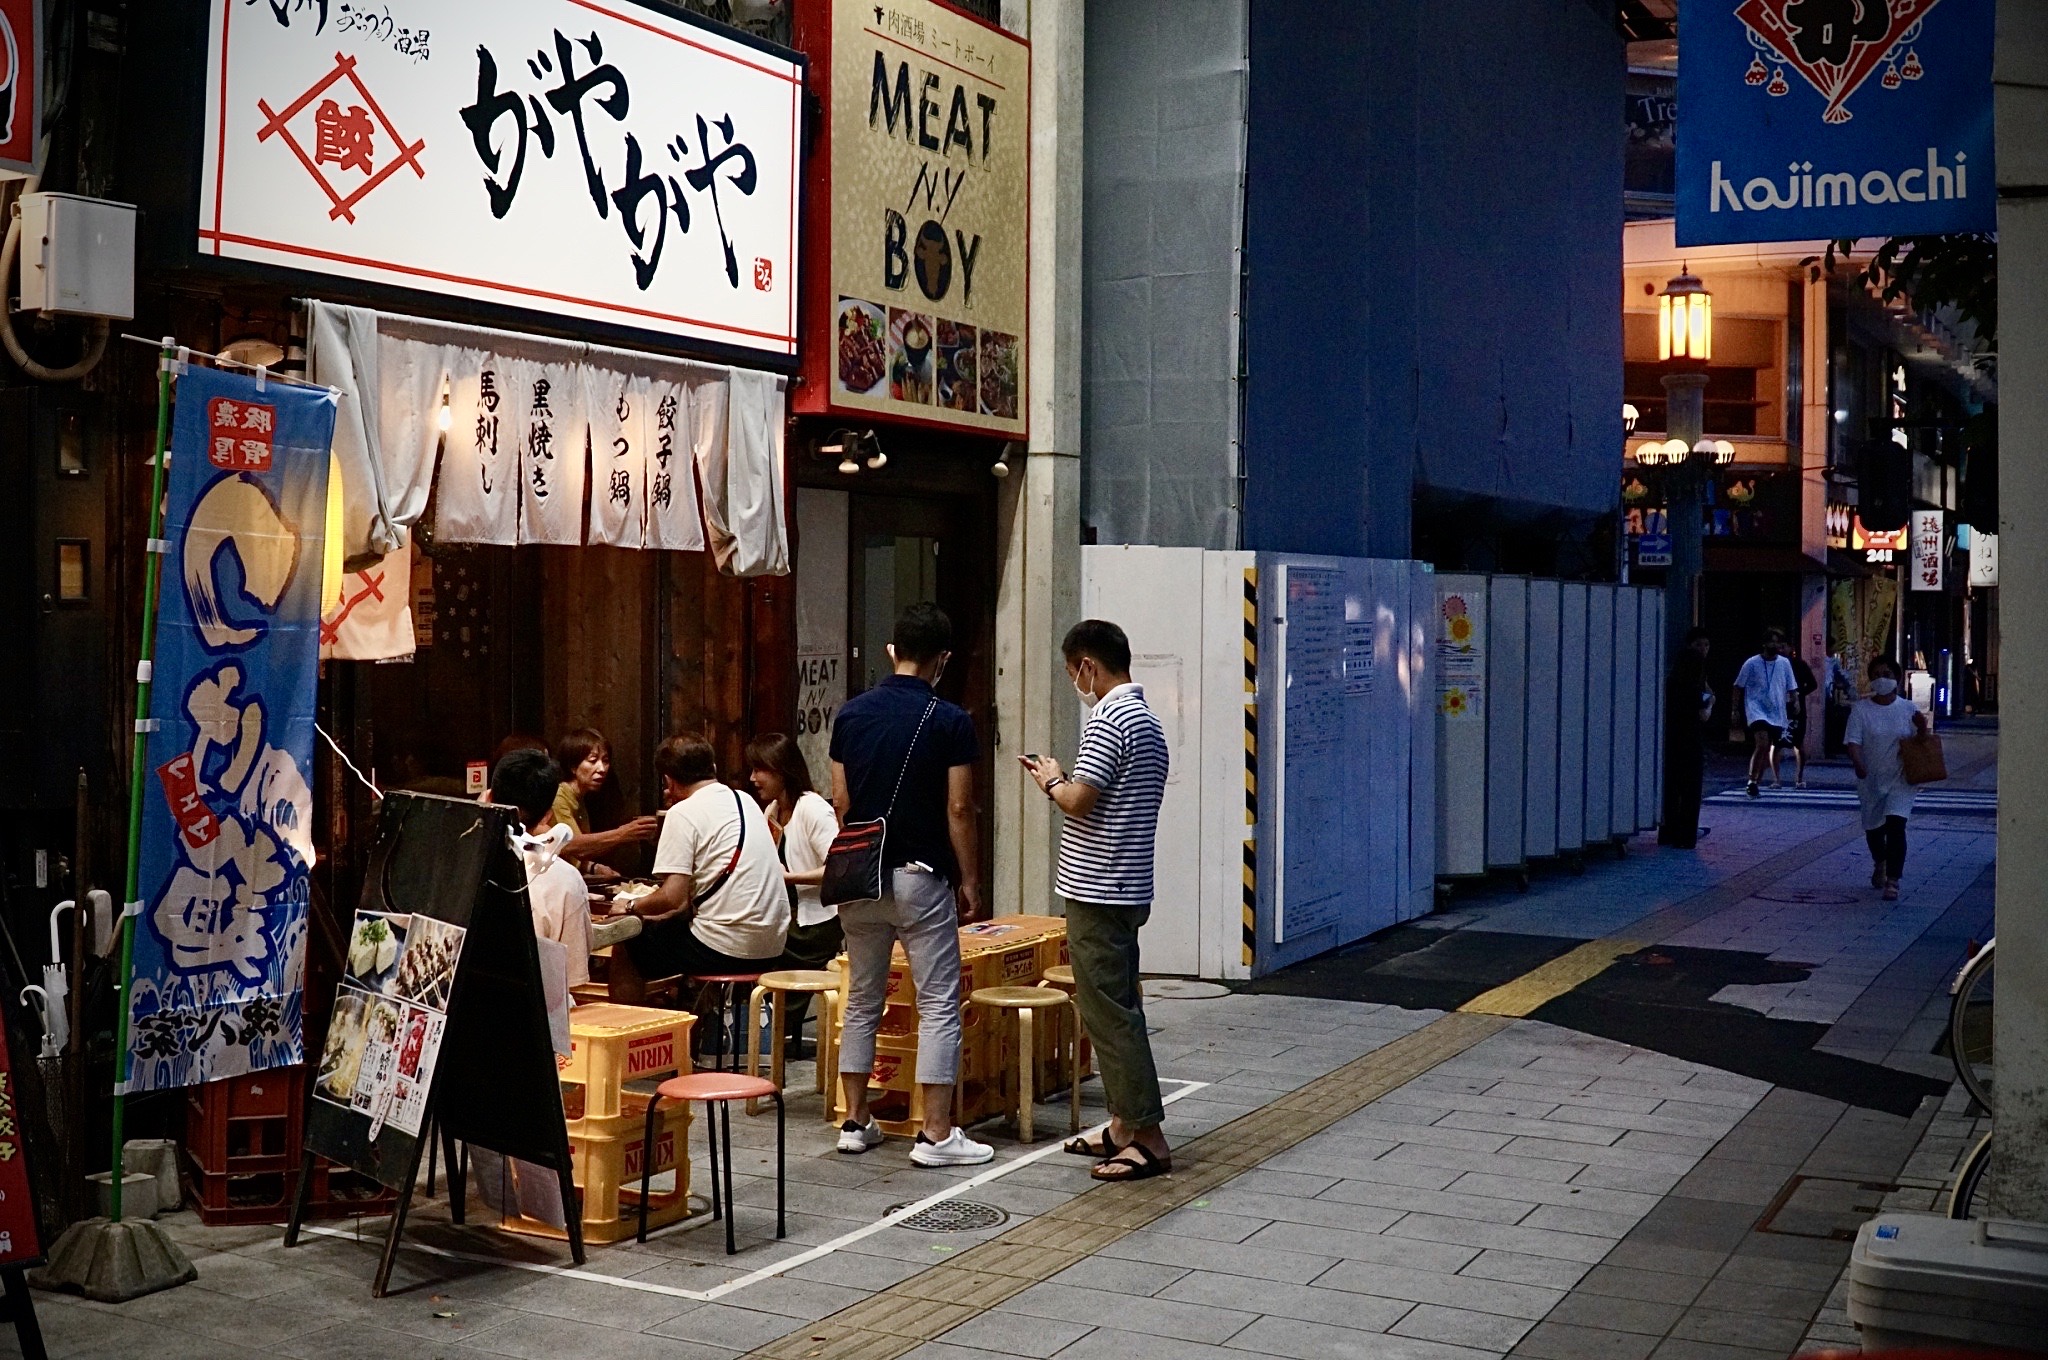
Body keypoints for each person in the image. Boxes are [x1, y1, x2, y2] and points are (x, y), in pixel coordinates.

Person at [829, 603, 991, 1168]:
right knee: (939, 1003)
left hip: (860, 876)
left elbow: (843, 803)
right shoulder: (950, 721)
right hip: (921, 878)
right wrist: (970, 878)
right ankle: (937, 1134)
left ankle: (854, 1121)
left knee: (863, 999)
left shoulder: (849, 716)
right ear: (942, 660)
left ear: (891, 651)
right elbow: (959, 807)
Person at [1021, 620, 1173, 1182]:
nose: (1074, 684)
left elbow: (1081, 800)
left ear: (1087, 665)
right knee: (1118, 1006)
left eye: (1071, 672)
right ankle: (1122, 1126)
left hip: (1098, 888)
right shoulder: (1149, 721)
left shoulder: (1109, 719)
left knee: (1110, 1016)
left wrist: (1051, 780)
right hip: (1129, 884)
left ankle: (1148, 1137)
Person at [611, 737, 790, 1032]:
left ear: (669, 780)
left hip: (725, 948)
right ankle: (688, 1034)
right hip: (774, 943)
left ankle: (628, 1041)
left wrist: (629, 905)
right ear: (714, 768)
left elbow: (671, 897)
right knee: (670, 933)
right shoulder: (744, 799)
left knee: (627, 941)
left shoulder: (683, 813)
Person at [746, 733, 841, 1053]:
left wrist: (790, 878)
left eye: (761, 769)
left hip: (817, 923)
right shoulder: (770, 811)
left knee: (767, 961)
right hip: (786, 916)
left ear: (782, 770)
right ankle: (757, 1038)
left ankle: (767, 1040)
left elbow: (839, 868)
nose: (753, 778)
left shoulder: (813, 808)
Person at [489, 748, 594, 990]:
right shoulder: (565, 879)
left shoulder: (455, 858)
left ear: (490, 797)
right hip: (539, 1015)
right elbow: (573, 976)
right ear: (547, 816)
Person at [1845, 656, 1930, 902]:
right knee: (1873, 828)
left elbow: (1921, 743)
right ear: (1871, 679)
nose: (1883, 678)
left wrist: (1922, 728)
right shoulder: (1861, 710)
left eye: (1888, 673)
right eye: (1878, 674)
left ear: (1897, 678)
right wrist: (1859, 764)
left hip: (1901, 779)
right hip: (1870, 779)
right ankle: (1879, 861)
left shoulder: (1908, 709)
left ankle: (1893, 880)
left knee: (1896, 826)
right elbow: (1853, 742)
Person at [551, 728, 661, 878]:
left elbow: (584, 851)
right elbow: (573, 846)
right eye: (593, 760)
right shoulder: (559, 797)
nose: (601, 769)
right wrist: (623, 833)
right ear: (573, 766)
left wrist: (594, 867)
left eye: (605, 761)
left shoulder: (580, 797)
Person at [1659, 627, 1716, 849]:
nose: (1703, 650)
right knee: (1691, 790)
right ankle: (1686, 836)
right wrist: (1710, 702)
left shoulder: (1671, 684)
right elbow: (1704, 714)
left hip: (1671, 741)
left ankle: (1668, 831)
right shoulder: (1695, 688)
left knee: (1672, 788)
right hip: (1691, 741)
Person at [1733, 629, 1799, 798]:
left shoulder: (1784, 663)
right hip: (1756, 709)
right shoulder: (1751, 663)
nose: (1775, 646)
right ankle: (1751, 780)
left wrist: (1795, 701)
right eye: (1772, 642)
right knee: (1762, 744)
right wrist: (1735, 710)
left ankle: (1756, 782)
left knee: (1769, 747)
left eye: (1778, 643)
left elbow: (1792, 686)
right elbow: (1738, 686)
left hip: (1776, 711)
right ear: (1764, 644)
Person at [1776, 644, 1819, 789]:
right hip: (1778, 707)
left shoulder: (1799, 665)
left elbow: (1813, 684)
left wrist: (1799, 694)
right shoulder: (1774, 665)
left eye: (1784, 646)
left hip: (1796, 707)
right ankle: (1776, 779)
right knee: (1775, 743)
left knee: (1798, 742)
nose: (1781, 649)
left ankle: (1799, 778)